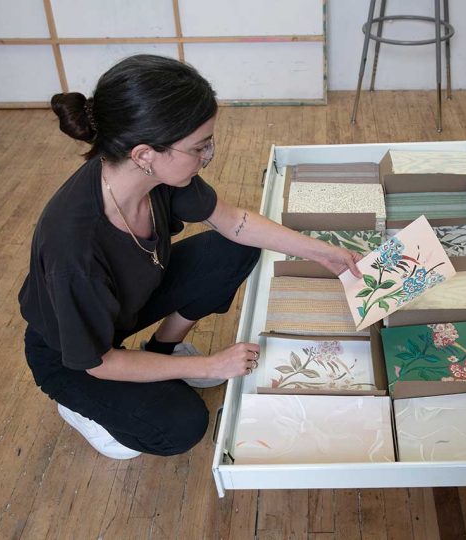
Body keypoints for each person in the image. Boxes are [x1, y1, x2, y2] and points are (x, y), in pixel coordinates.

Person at [18, 54, 362, 460]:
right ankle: (82, 407)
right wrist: (211, 366)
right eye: (199, 147)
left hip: (126, 302)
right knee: (181, 426)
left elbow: (233, 222)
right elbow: (100, 361)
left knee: (235, 247)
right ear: (145, 153)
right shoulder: (74, 249)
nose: (207, 155)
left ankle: (162, 349)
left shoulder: (153, 174)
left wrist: (322, 252)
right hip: (74, 355)